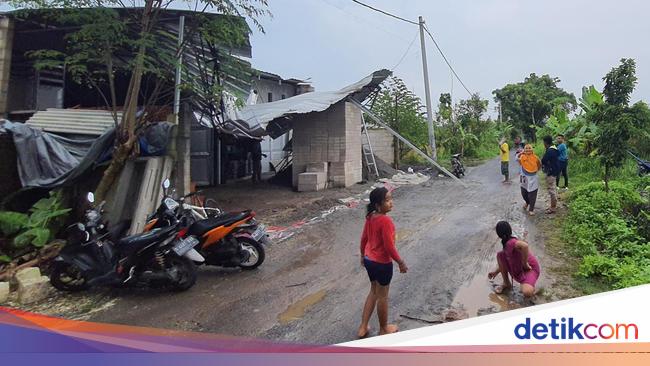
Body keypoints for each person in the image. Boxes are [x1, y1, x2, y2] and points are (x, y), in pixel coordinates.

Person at [357, 187, 408, 338]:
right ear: (378, 205)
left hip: (369, 261)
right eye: (387, 200)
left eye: (391, 198)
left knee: (373, 291)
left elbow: (363, 239)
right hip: (381, 264)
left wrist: (362, 255)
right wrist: (400, 262)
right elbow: (389, 246)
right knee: (383, 296)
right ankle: (384, 328)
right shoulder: (385, 221)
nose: (391, 202)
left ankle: (363, 326)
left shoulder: (371, 217)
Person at [488, 221, 541, 298]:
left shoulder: (511, 242)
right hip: (519, 270)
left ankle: (534, 289)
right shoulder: (506, 246)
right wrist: (495, 272)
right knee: (500, 255)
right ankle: (506, 283)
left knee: (527, 292)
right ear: (510, 230)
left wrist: (525, 263)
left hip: (530, 269)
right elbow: (505, 263)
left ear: (498, 235)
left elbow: (525, 246)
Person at [517, 144, 542, 216]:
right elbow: (516, 158)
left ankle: (531, 209)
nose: (528, 150)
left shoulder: (535, 158)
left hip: (533, 178)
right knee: (523, 193)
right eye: (526, 148)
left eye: (529, 148)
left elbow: (539, 164)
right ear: (524, 150)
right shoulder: (522, 157)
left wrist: (536, 170)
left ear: (532, 149)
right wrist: (520, 153)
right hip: (524, 179)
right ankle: (527, 202)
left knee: (532, 194)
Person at [541, 135, 560, 214]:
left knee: (551, 189)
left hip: (551, 172)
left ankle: (553, 208)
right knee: (554, 188)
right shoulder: (555, 148)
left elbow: (543, 160)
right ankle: (554, 205)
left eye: (543, 142)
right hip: (556, 170)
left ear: (545, 142)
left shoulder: (550, 151)